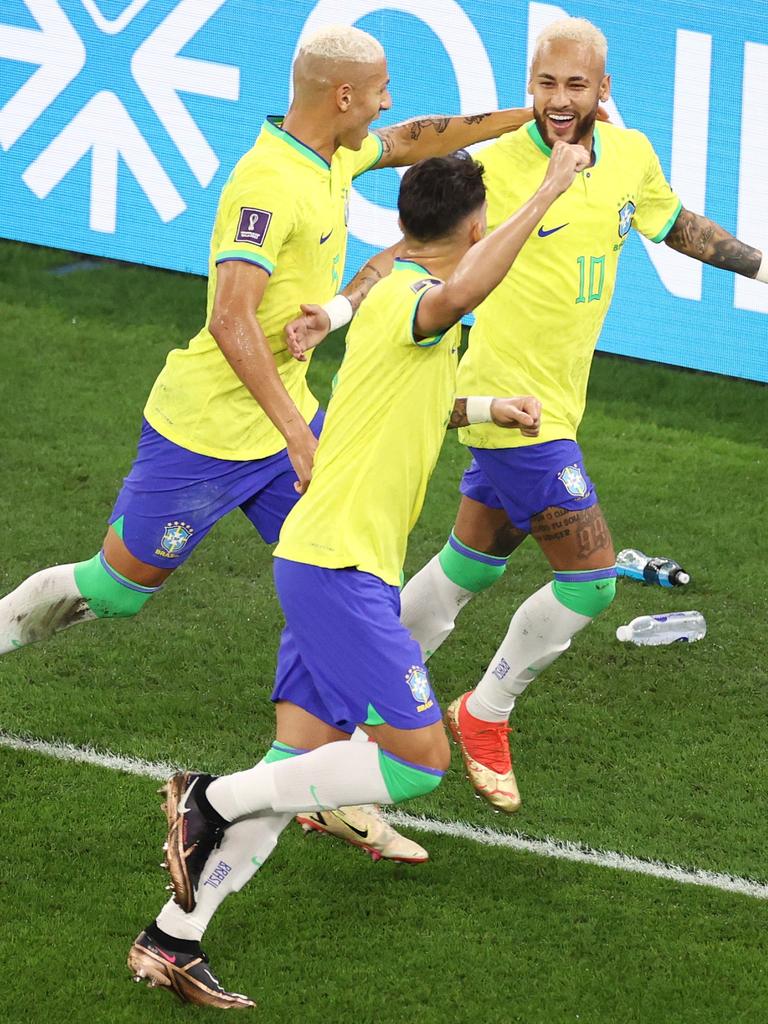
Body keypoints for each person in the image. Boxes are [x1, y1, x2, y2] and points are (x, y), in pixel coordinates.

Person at [0, 25, 536, 859]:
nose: (390, 103)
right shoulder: (265, 182)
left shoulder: (335, 156)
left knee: (338, 575)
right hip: (205, 435)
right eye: (380, 89)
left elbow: (421, 137)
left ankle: (325, 781)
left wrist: (522, 118)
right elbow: (230, 317)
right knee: (118, 589)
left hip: (283, 427)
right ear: (343, 96)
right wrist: (295, 433)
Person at [127, 140, 591, 1009]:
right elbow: (462, 290)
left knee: (297, 763)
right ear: (477, 224)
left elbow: (406, 404)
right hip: (337, 567)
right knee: (416, 762)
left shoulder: (388, 309)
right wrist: (550, 191)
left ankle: (172, 937)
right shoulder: (420, 299)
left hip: (333, 563)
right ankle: (206, 795)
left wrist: (490, 408)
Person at [392, 16, 768, 814]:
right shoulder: (489, 168)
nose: (559, 101)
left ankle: (362, 675)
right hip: (513, 409)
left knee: (469, 564)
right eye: (546, 84)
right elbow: (417, 246)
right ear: (529, 85)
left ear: (604, 89)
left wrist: (761, 267)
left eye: (575, 85)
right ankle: (482, 712)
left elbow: (678, 228)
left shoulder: (629, 157)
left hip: (558, 400)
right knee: (593, 582)